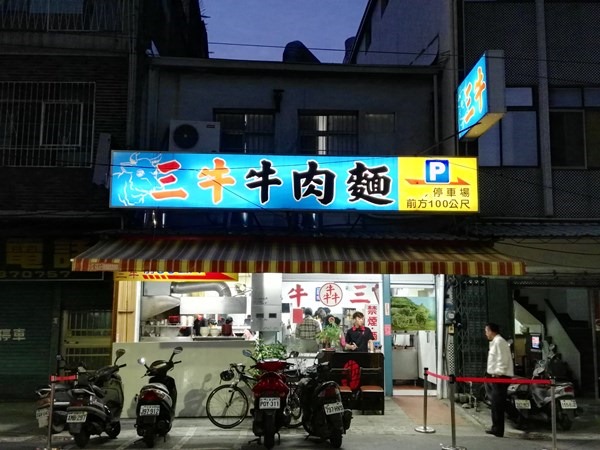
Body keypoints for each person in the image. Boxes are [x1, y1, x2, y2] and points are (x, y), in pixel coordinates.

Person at [484, 322, 514, 438]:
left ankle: (498, 429)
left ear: (491, 331)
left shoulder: (500, 342)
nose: (486, 334)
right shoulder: (496, 342)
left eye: (486, 331)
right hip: (496, 376)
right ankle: (496, 427)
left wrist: (499, 372)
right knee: (496, 403)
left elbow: (502, 359)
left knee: (498, 404)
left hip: (501, 377)